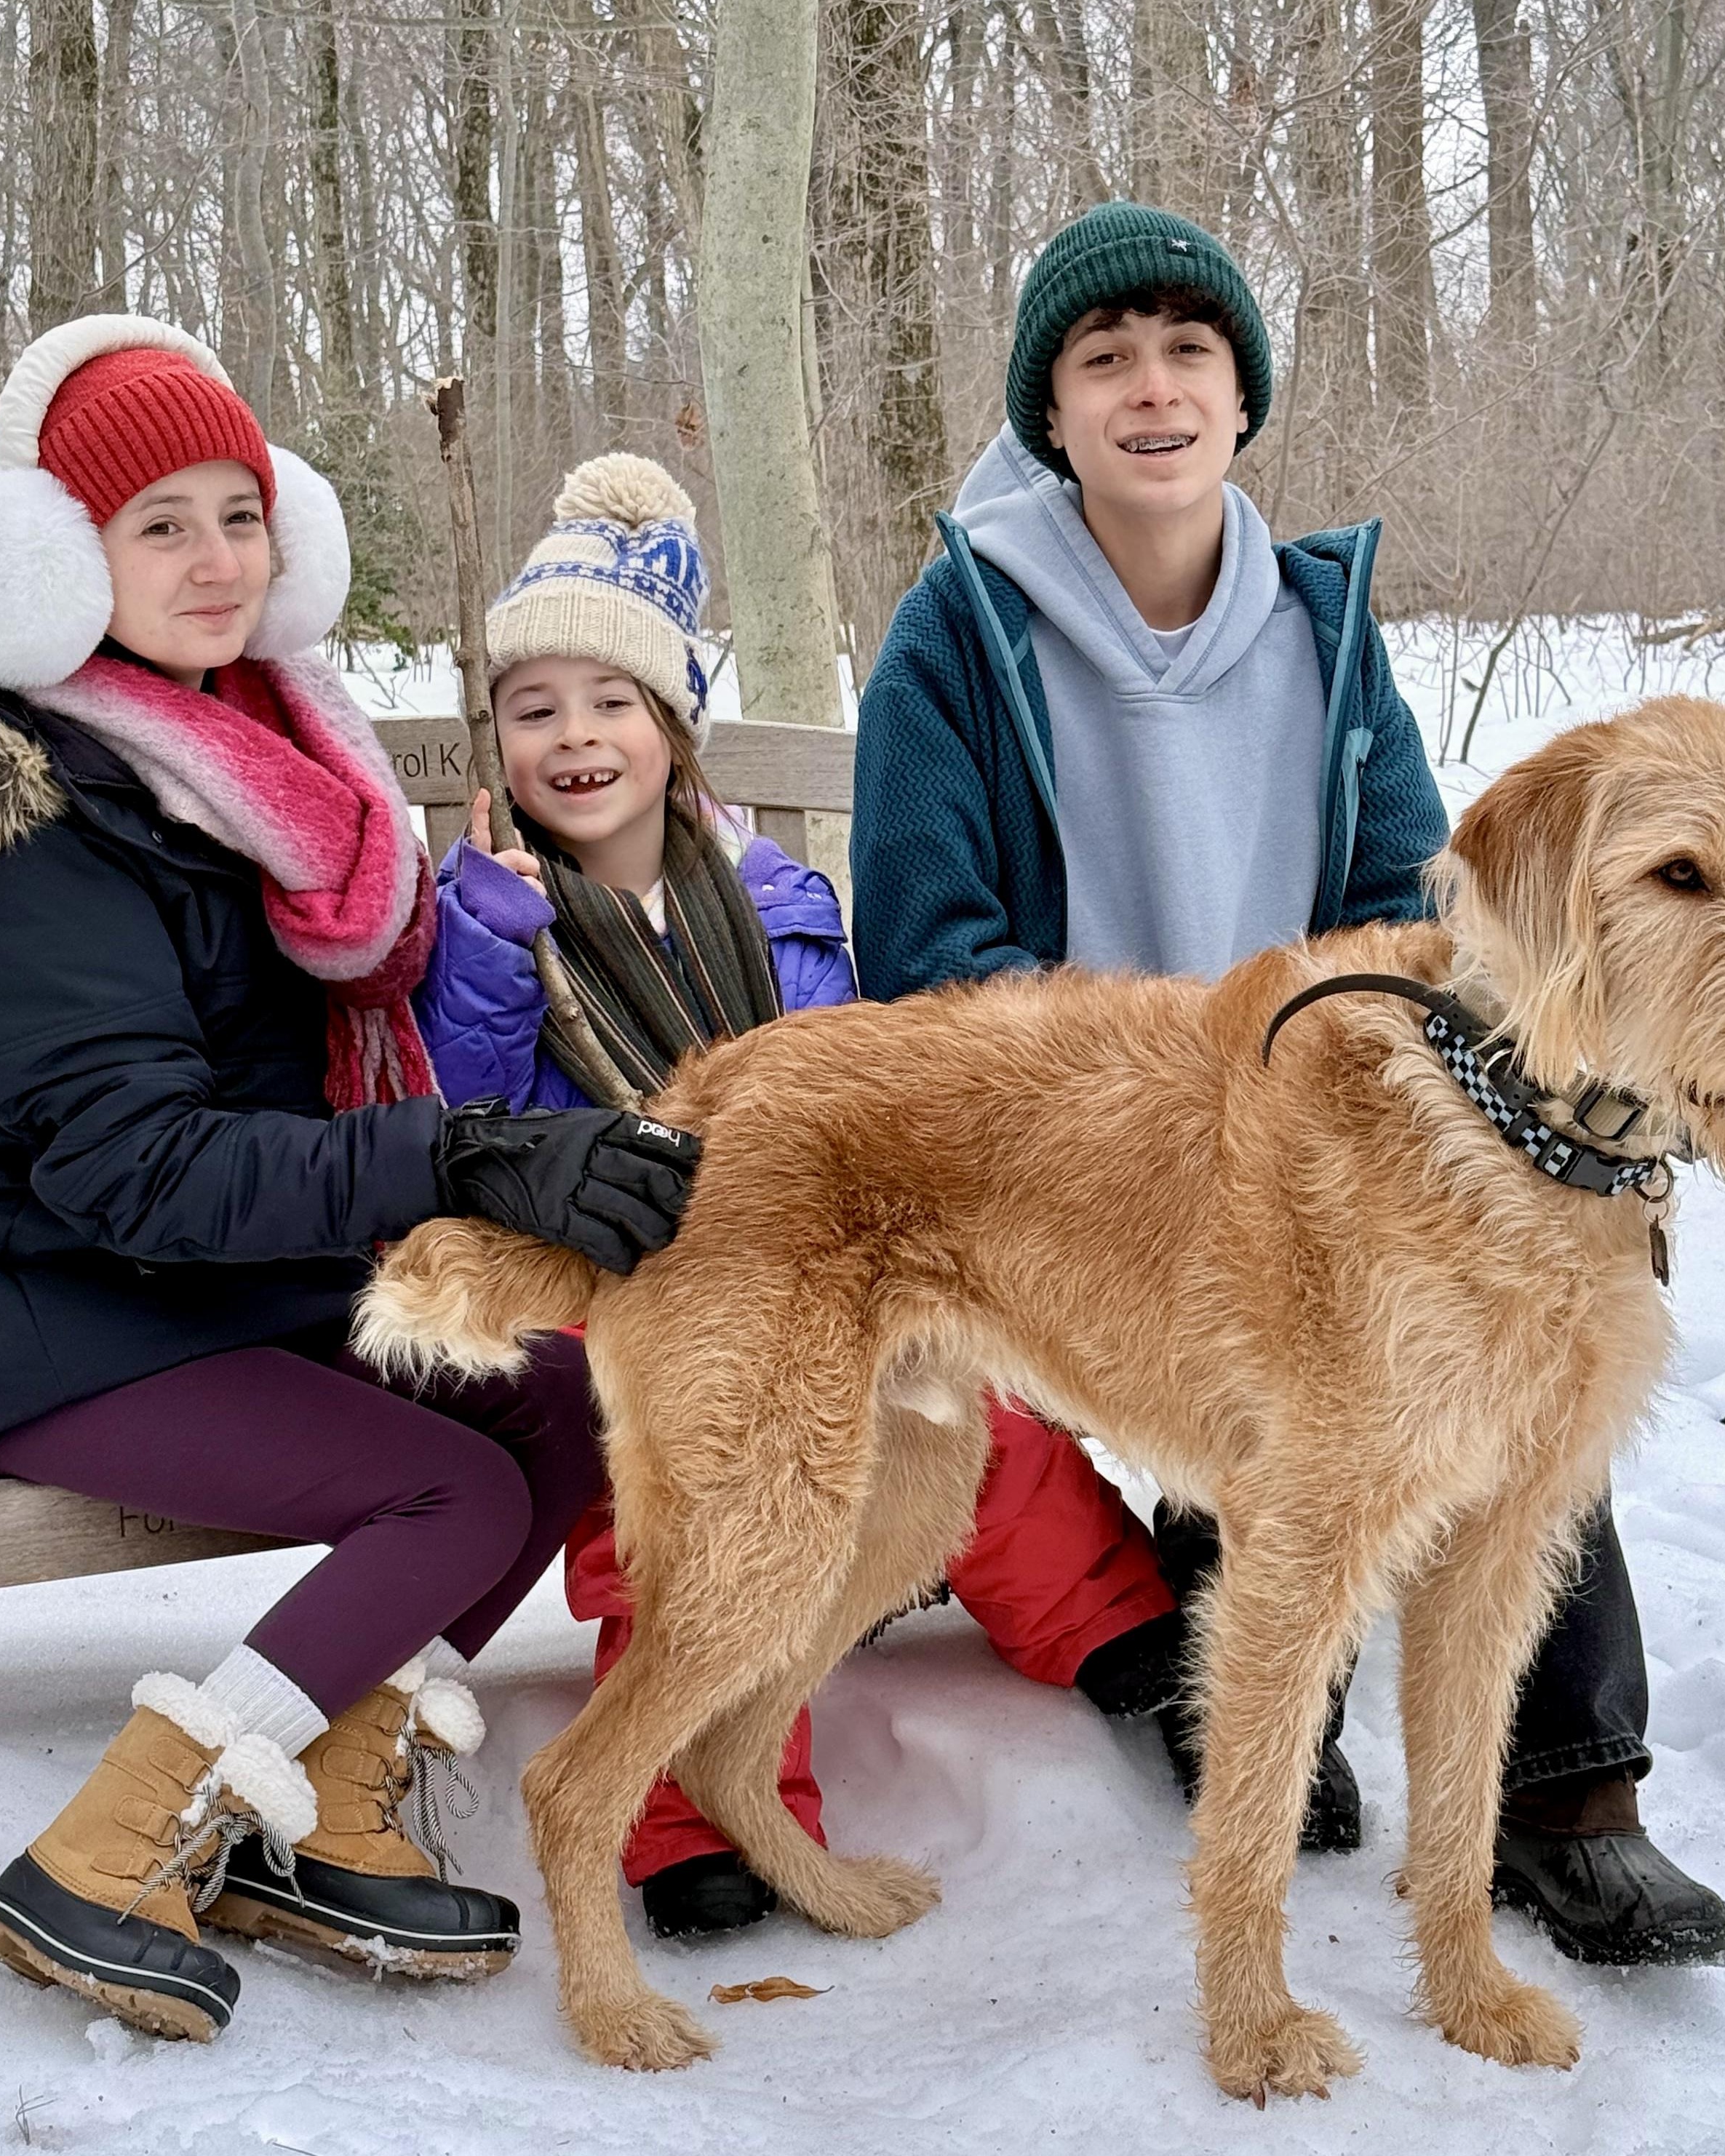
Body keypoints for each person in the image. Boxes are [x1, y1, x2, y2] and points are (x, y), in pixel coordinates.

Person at [850, 200, 1725, 1969]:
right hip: (1091, 1125)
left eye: (1190, 353)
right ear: (1053, 413)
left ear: (1241, 400)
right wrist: (1173, 1082)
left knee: (1540, 1308)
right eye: (1104, 359)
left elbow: (1420, 898)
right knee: (1264, 1405)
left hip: (1323, 1098)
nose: (1152, 387)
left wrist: (1463, 1127)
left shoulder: (1326, 620)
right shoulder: (956, 631)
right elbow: (933, 949)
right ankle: (1258, 1699)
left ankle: (1573, 1795)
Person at [0, 318, 700, 2044]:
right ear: (62, 560)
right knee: (445, 1487)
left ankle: (324, 1809)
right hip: (52, 1311)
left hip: (214, 1283)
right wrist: (467, 1158)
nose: (219, 559)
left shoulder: (257, 754)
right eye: (160, 525)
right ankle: (107, 1856)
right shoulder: (19, 815)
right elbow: (138, 1168)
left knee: (560, 1406)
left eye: (240, 511)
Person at [414, 452, 1189, 1941]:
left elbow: (856, 1089)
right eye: (534, 711)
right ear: (499, 746)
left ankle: (1127, 1643)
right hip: (617, 1266)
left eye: (610, 703)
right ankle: (697, 1808)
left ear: (673, 730)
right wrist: (492, 964)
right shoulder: (491, 919)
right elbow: (463, 1120)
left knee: (986, 1421)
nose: (574, 737)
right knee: (675, 1496)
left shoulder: (777, 903)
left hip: (818, 1255)